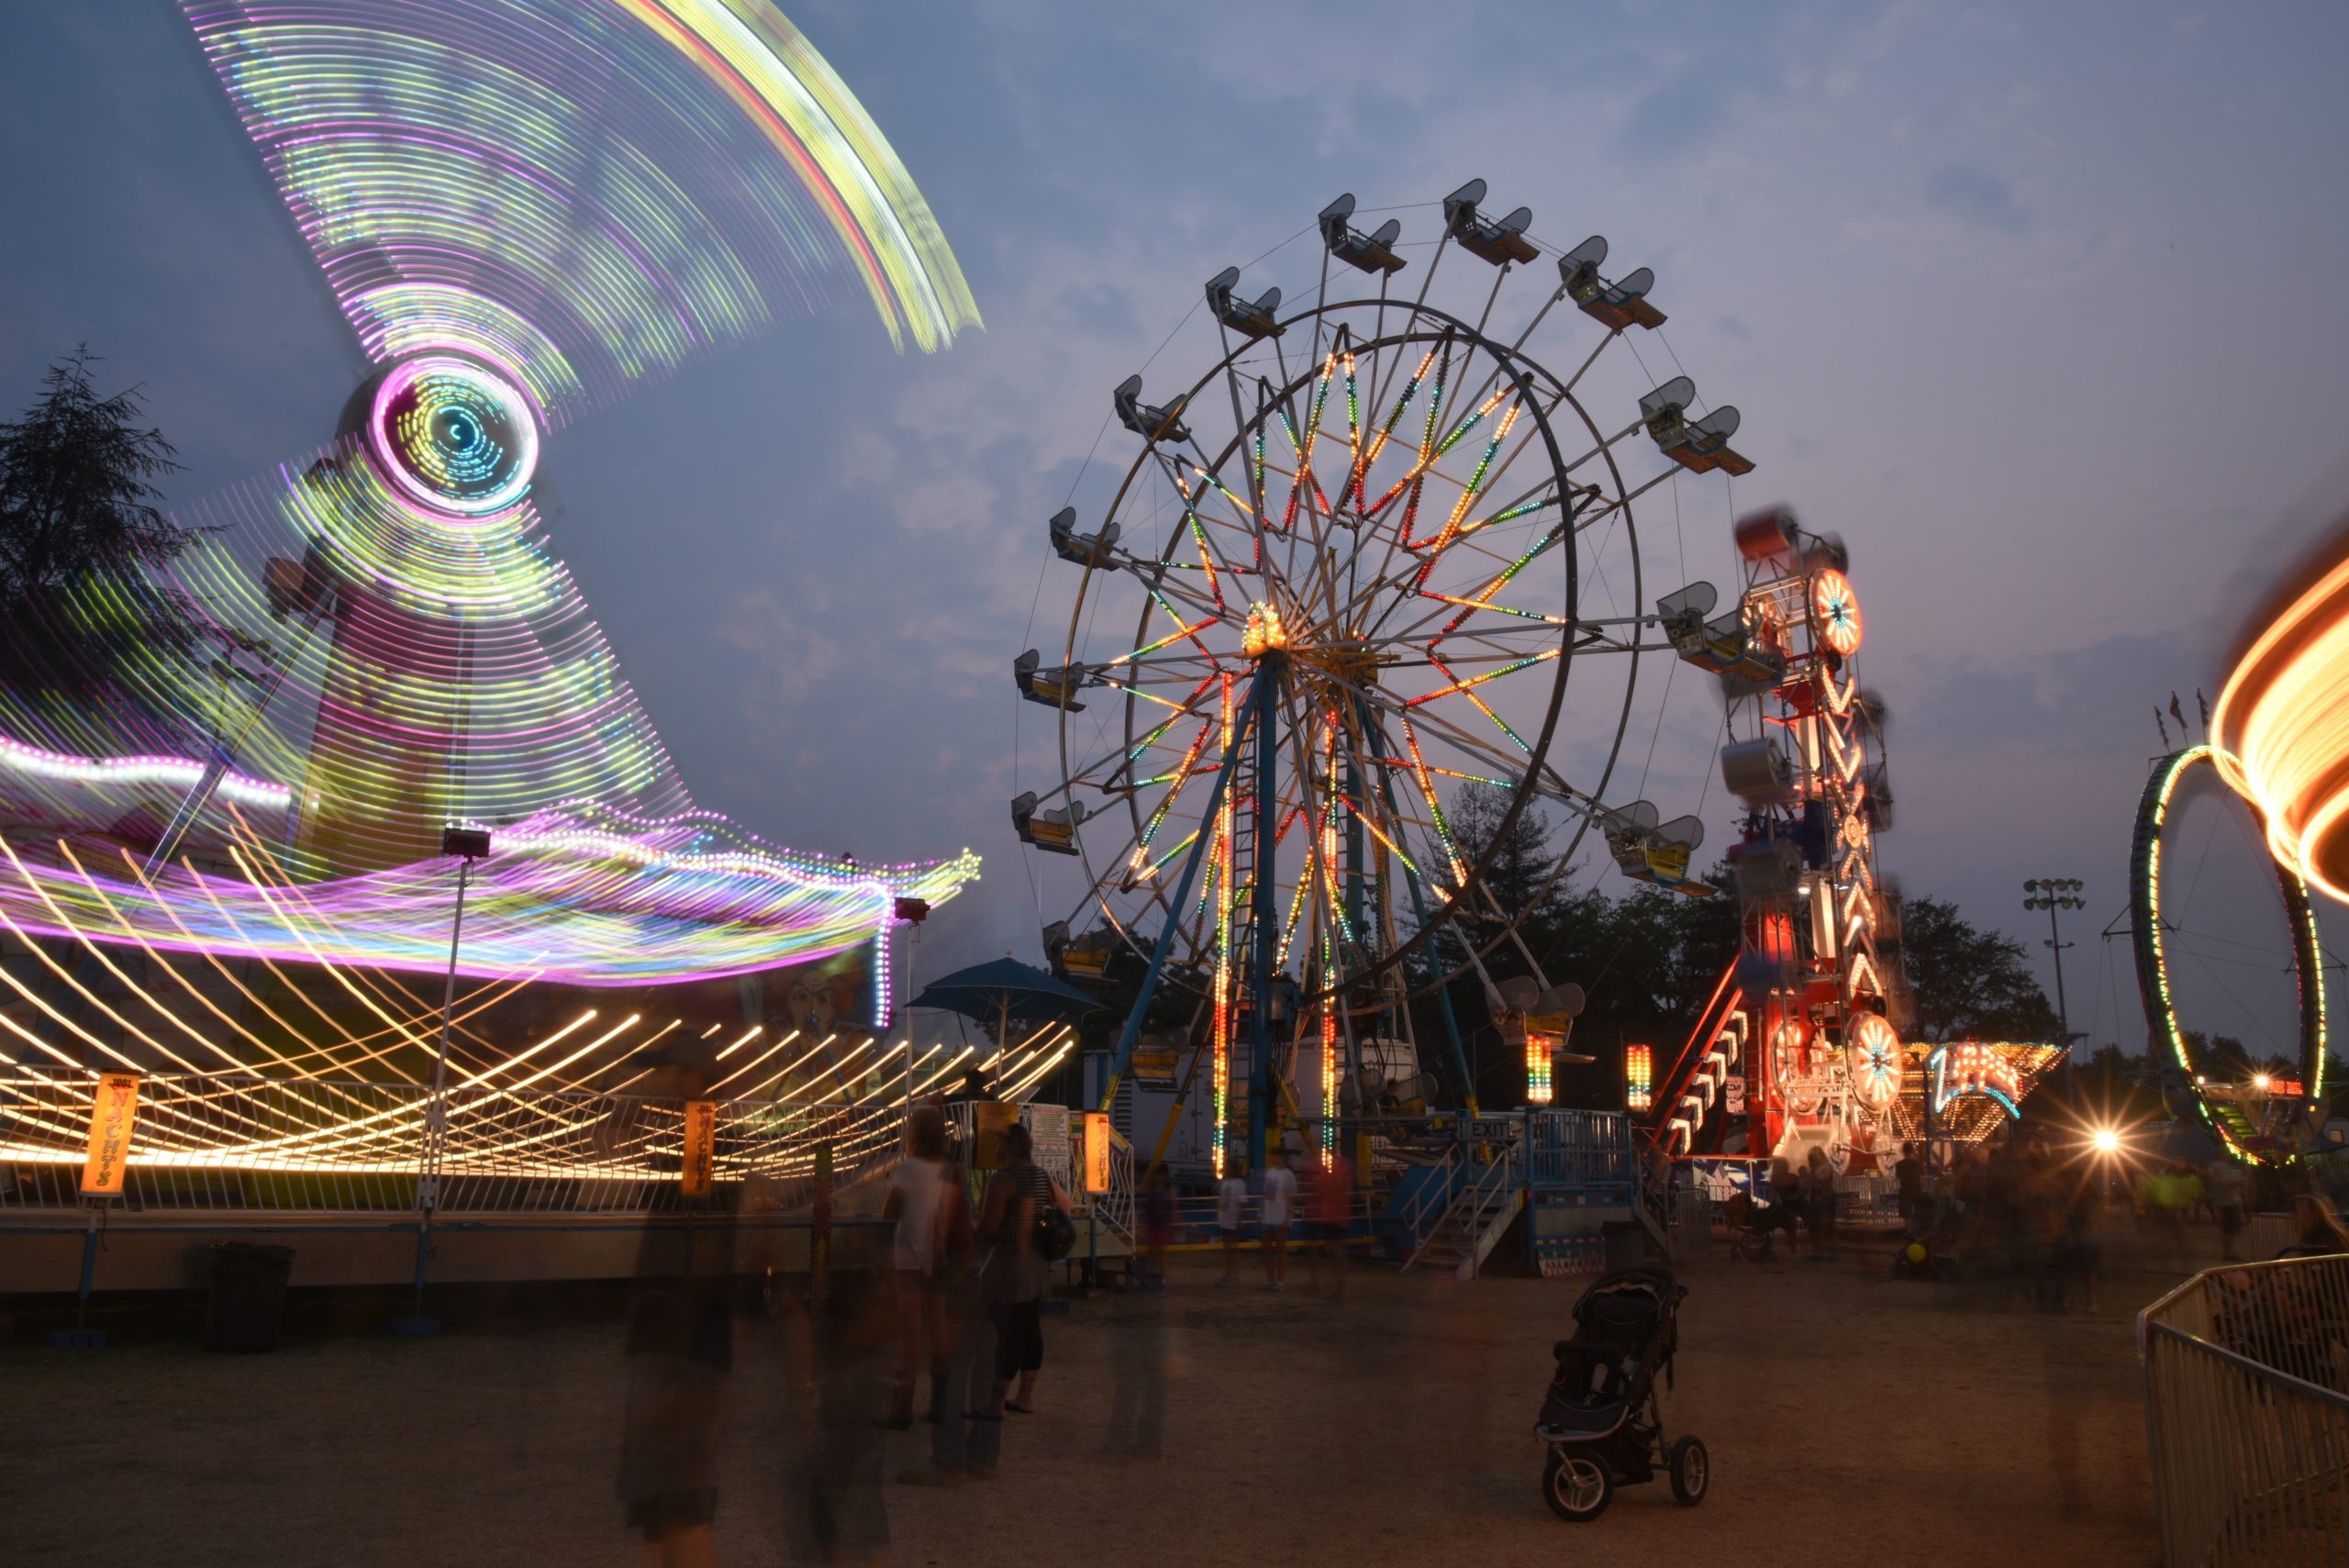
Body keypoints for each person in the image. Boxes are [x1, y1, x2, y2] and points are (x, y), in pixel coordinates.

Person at [978, 1121, 1069, 1416]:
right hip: (1036, 1264)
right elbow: (1063, 1207)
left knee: (1008, 1333)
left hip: (1008, 1265)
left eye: (998, 1142)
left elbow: (989, 1229)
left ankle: (995, 1403)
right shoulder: (1042, 1176)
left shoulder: (1003, 1180)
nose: (994, 1147)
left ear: (1011, 1146)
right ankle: (1025, 1396)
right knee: (1030, 1329)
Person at [882, 1106, 950, 1427]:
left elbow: (889, 1211)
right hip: (939, 1260)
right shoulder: (949, 1169)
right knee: (938, 1334)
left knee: (911, 1339)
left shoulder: (907, 1169)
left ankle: (902, 1408)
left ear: (914, 1134)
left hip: (909, 1259)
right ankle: (939, 1403)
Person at [1305, 1147, 1353, 1298]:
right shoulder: (1342, 1168)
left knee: (1331, 1251)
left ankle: (1333, 1286)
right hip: (1326, 1214)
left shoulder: (1333, 1169)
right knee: (1331, 1251)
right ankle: (1331, 1286)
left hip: (1328, 1214)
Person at [1259, 1147, 1297, 1290]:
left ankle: (1280, 1280)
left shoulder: (1288, 1175)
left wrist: (1288, 1216)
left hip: (1280, 1216)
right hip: (1268, 1216)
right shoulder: (1270, 1173)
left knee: (1281, 1250)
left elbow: (1292, 1197)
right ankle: (1270, 1279)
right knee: (1266, 1249)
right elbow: (1266, 1195)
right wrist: (1261, 1212)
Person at [2277, 1191, 2349, 1259]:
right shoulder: (2338, 1234)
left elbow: (2311, 1270)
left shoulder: (2312, 1244)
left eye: (2295, 1215)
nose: (2292, 1221)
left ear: (2306, 1216)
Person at [2206, 1155, 2248, 1262]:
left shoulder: (2212, 1166)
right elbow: (2224, 1183)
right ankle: (2229, 1253)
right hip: (2228, 1201)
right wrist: (2240, 1180)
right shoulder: (2222, 1167)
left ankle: (2227, 1252)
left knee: (2226, 1229)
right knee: (2229, 1229)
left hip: (2221, 1201)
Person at [1140, 1165, 1175, 1289]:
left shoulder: (1159, 1192)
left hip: (1161, 1226)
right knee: (1154, 1254)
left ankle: (1161, 1278)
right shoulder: (1161, 1192)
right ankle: (1155, 1278)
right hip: (1155, 1225)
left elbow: (1172, 1208)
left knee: (1159, 1254)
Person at [1803, 1148, 1840, 1261]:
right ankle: (1818, 1251)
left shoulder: (1825, 1168)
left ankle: (1830, 1252)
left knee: (1827, 1226)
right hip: (1817, 1197)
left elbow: (1823, 1180)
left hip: (1825, 1197)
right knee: (1816, 1226)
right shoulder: (1817, 1169)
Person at [1216, 1166, 1248, 1286]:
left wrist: (1239, 1218)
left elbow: (1243, 1202)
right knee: (1228, 1250)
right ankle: (1228, 1274)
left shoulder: (1239, 1183)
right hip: (1225, 1219)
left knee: (1233, 1250)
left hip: (1232, 1220)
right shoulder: (1226, 1182)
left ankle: (1234, 1275)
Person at [1894, 1142, 1925, 1223]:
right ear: (1912, 1151)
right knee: (1919, 1211)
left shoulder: (1899, 1165)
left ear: (1903, 1151)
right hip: (1917, 1190)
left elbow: (1898, 1177)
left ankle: (1909, 1231)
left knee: (1906, 1214)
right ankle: (1918, 1230)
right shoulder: (1917, 1164)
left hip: (1905, 1191)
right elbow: (1923, 1175)